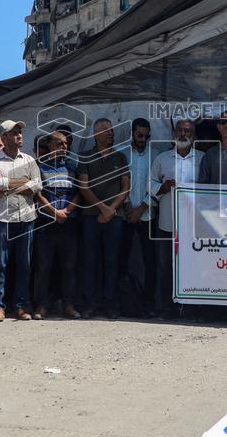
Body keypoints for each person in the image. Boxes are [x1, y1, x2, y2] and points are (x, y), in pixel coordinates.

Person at [0, 120, 41, 322]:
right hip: (3, 218)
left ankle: (20, 305)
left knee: (24, 264)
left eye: (20, 132)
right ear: (4, 137)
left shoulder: (30, 160)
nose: (19, 135)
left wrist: (8, 187)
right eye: (14, 132)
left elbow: (37, 186)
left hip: (26, 217)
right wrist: (24, 182)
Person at [151, 119, 204, 318]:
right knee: (165, 267)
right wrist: (162, 188)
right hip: (167, 223)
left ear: (194, 136)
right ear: (174, 135)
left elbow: (210, 186)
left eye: (187, 131)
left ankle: (191, 308)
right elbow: (151, 181)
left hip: (194, 226)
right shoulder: (162, 158)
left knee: (192, 268)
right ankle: (165, 307)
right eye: (180, 130)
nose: (183, 134)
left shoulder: (203, 158)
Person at [77, 118, 129, 318]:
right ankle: (89, 304)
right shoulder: (85, 157)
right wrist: (102, 208)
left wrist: (111, 210)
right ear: (95, 133)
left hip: (114, 218)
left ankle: (110, 304)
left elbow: (125, 187)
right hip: (91, 217)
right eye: (106, 130)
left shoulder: (120, 157)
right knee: (90, 261)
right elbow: (83, 186)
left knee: (112, 261)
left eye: (112, 131)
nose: (110, 133)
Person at [34, 130, 81, 319]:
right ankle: (41, 306)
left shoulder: (71, 167)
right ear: (50, 146)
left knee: (69, 267)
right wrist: (54, 212)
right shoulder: (39, 167)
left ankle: (68, 305)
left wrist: (67, 211)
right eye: (60, 144)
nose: (64, 147)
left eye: (66, 144)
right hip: (46, 224)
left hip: (68, 224)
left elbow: (79, 192)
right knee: (43, 268)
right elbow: (38, 194)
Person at [121, 118, 158, 317]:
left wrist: (141, 207)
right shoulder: (122, 153)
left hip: (148, 215)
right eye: (139, 135)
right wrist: (127, 206)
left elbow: (157, 185)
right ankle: (123, 301)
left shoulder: (156, 155)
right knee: (121, 259)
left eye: (146, 135)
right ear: (132, 133)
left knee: (149, 262)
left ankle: (148, 303)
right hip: (124, 214)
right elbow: (119, 182)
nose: (143, 139)